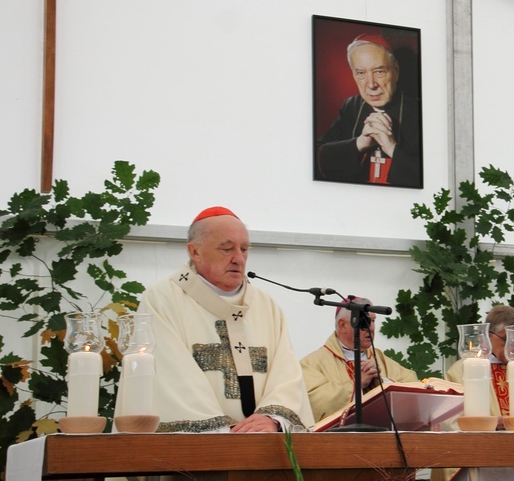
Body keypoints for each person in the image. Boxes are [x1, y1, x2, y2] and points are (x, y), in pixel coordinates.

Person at [115, 206, 314, 433]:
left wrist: (271, 418)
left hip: (264, 443)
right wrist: (222, 431)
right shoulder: (162, 300)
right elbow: (171, 378)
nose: (238, 258)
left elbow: (285, 373)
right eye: (226, 248)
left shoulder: (264, 304)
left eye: (244, 249)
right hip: (198, 451)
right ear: (195, 252)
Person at [315, 33, 422, 188]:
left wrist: (392, 148)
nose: (371, 84)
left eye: (379, 72)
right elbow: (316, 158)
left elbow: (434, 176)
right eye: (361, 73)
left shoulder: (418, 111)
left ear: (396, 71)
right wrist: (359, 143)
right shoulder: (351, 106)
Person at [300, 296, 418, 423]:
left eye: (373, 321)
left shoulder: (380, 359)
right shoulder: (312, 364)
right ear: (343, 325)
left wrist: (382, 384)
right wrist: (356, 384)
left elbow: (413, 386)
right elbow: (312, 402)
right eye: (365, 322)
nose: (371, 328)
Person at [446, 305, 514, 428]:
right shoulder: (461, 369)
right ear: (487, 336)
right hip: (483, 444)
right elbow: (449, 419)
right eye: (506, 339)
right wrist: (491, 424)